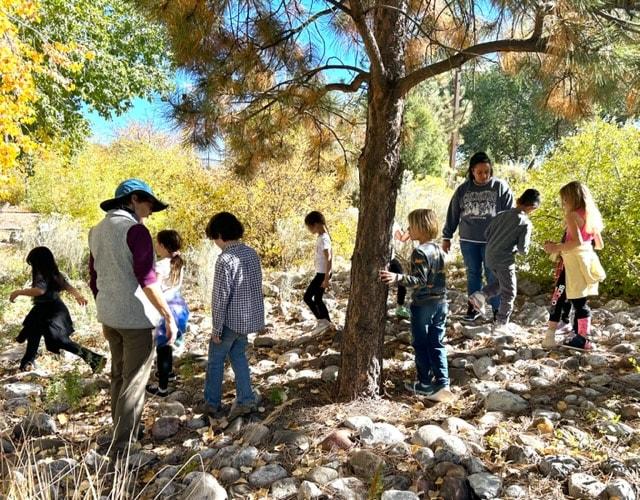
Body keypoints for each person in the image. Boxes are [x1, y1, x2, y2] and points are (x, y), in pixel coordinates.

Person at [89, 179, 177, 456]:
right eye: (148, 202)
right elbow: (148, 279)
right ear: (133, 200)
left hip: (109, 315)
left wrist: (106, 303)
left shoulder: (96, 230)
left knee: (118, 375)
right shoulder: (135, 230)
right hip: (135, 317)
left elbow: (94, 277)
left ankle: (125, 430)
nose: (151, 207)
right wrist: (167, 314)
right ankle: (124, 444)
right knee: (135, 379)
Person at [380, 209, 452, 402]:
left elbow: (420, 280)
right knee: (437, 342)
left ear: (421, 227)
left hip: (423, 304)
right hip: (441, 303)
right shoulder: (438, 249)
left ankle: (424, 384)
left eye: (411, 226)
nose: (409, 229)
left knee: (420, 343)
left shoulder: (420, 252)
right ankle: (443, 383)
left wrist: (398, 278)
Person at [203, 212, 264, 420]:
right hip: (247, 319)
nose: (215, 243)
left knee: (215, 361)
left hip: (229, 321)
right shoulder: (251, 253)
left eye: (214, 239)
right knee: (238, 357)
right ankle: (246, 400)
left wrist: (216, 329)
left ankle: (212, 403)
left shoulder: (225, 260)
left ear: (220, 234)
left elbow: (220, 298)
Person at [442, 152, 514, 322]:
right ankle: (473, 308)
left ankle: (497, 311)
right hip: (469, 241)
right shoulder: (463, 190)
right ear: (472, 171)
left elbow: (510, 215)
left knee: (493, 276)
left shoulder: (500, 187)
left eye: (487, 172)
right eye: (480, 172)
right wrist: (447, 236)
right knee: (473, 273)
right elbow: (453, 214)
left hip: (493, 242)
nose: (484, 176)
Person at [10, 247, 105, 373]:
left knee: (61, 340)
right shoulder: (54, 273)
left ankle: (94, 359)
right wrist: (78, 296)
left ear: (38, 262)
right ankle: (27, 363)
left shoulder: (42, 273)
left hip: (50, 312)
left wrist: (19, 292)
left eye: (33, 263)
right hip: (47, 309)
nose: (32, 267)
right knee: (33, 334)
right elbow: (68, 287)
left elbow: (40, 290)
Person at [468, 189, 541, 334]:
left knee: (502, 284)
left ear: (519, 200)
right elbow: (523, 249)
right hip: (504, 260)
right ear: (532, 207)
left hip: (490, 255)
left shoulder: (501, 215)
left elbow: (487, 234)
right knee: (510, 292)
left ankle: (480, 296)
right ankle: (501, 324)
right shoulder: (525, 223)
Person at [543, 181, 605, 351]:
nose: (563, 204)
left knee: (559, 295)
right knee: (580, 301)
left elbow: (576, 242)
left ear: (572, 198)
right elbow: (598, 244)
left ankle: (578, 339)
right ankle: (581, 336)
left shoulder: (572, 216)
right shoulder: (590, 214)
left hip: (571, 265)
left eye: (564, 200)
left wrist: (556, 247)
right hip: (586, 262)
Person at [146, 230, 190, 397]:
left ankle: (162, 388)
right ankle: (169, 372)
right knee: (169, 343)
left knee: (163, 348)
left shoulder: (161, 265)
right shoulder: (178, 262)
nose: (156, 246)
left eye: (157, 243)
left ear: (163, 245)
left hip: (166, 308)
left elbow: (154, 288)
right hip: (179, 305)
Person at [303, 211, 333, 334]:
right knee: (317, 298)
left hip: (322, 274)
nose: (309, 229)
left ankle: (323, 321)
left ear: (315, 224)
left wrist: (327, 277)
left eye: (309, 227)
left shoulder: (324, 238)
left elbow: (329, 258)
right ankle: (325, 322)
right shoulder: (322, 237)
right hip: (322, 273)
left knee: (308, 297)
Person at [389, 223, 410, 319]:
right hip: (377, 259)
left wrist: (410, 229)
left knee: (402, 279)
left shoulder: (393, 223)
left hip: (391, 258)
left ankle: (400, 307)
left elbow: (402, 238)